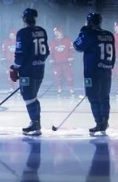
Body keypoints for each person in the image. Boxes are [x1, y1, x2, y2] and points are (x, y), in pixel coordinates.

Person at [73, 13, 116, 135]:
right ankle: (105, 121)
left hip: (92, 71)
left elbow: (77, 46)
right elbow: (114, 53)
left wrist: (82, 33)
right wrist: (110, 65)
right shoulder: (109, 34)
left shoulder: (89, 34)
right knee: (104, 96)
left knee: (93, 96)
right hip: (106, 69)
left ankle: (99, 122)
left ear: (89, 22)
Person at [9, 8, 49, 136]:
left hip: (28, 71)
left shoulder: (22, 33)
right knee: (33, 96)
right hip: (39, 69)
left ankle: (35, 123)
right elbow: (46, 52)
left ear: (24, 19)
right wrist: (38, 61)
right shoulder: (42, 31)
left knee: (28, 96)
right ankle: (35, 122)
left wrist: (15, 67)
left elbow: (20, 54)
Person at [49, 27, 75, 95]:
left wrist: (71, 58)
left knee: (69, 75)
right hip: (57, 62)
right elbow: (51, 52)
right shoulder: (53, 42)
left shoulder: (67, 40)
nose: (55, 33)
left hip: (66, 62)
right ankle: (59, 88)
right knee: (58, 76)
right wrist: (52, 60)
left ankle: (71, 88)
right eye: (54, 32)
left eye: (57, 32)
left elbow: (71, 50)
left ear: (60, 32)